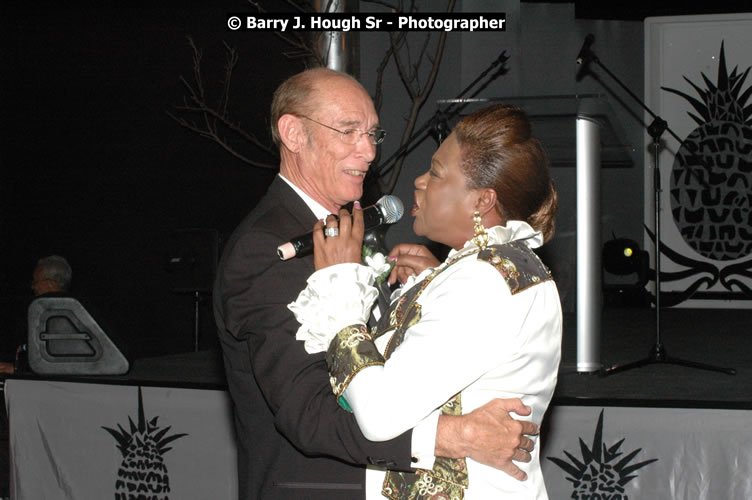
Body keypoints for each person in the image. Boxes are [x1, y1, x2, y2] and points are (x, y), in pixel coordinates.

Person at [213, 69, 541, 499]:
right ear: (293, 133)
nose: (368, 152)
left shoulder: (350, 223)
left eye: (372, 134)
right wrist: (454, 436)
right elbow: (310, 413)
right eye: (348, 131)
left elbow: (377, 366)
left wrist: (422, 291)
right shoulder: (268, 249)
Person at [289, 104, 562, 498]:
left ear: (481, 202)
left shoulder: (480, 282)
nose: (419, 181)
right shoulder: (501, 268)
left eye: (435, 173)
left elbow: (380, 414)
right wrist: (433, 289)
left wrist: (339, 286)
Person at [0, 255, 73, 375]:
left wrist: (17, 371)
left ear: (50, 283)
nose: (32, 287)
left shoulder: (61, 318)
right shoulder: (60, 314)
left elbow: (58, 367)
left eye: (35, 281)